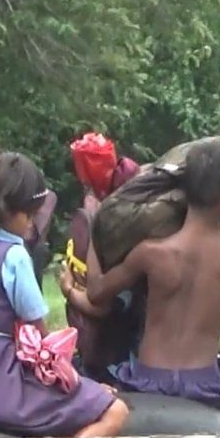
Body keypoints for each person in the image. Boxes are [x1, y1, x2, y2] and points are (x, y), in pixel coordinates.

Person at [86, 139, 220, 429]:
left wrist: (96, 232)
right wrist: (216, 302)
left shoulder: (151, 252)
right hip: (208, 386)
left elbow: (96, 293)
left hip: (147, 380)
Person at [0, 153, 129, 438]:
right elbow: (39, 340)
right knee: (115, 411)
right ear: (6, 210)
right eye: (29, 214)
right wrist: (78, 384)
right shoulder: (12, 256)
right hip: (0, 380)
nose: (31, 223)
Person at [59, 132, 142, 380]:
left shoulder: (118, 233)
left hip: (118, 357)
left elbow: (103, 307)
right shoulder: (115, 214)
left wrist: (69, 291)